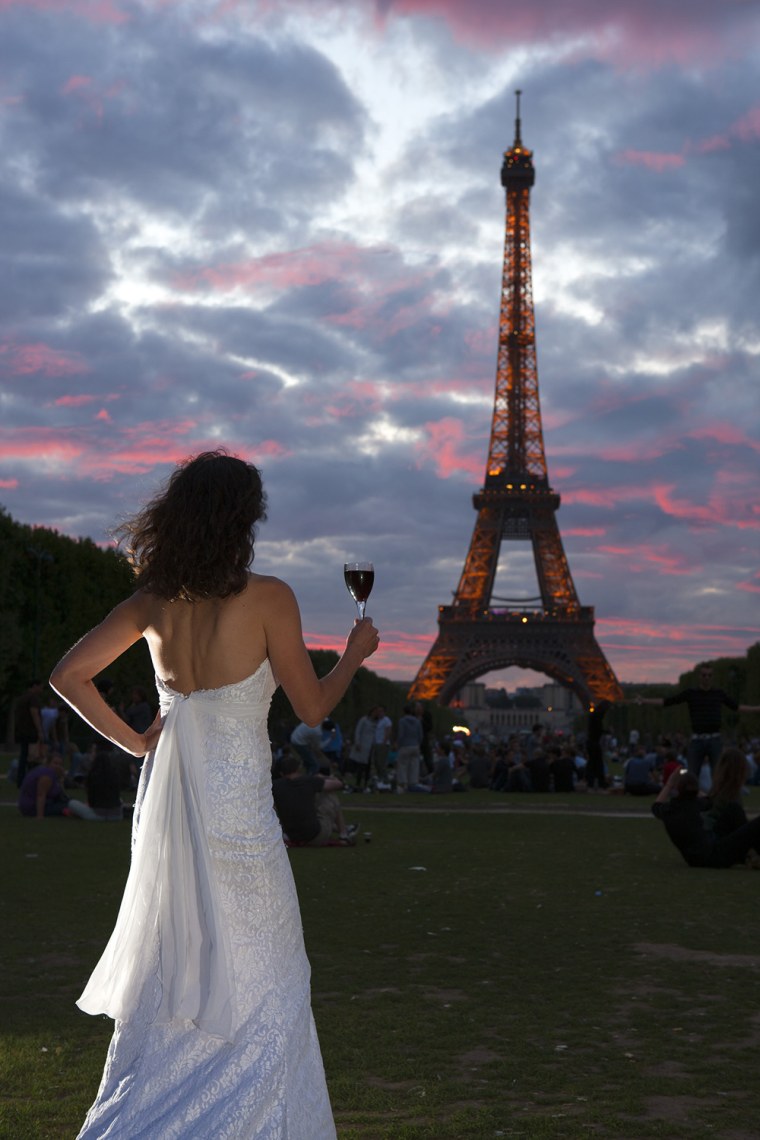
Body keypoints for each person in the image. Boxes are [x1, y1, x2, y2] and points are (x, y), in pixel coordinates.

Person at [49, 449, 379, 1139]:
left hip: (174, 803)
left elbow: (68, 675)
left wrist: (138, 743)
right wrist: (354, 654)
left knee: (179, 962)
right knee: (269, 970)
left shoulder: (152, 601)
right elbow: (313, 708)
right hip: (240, 815)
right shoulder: (269, 598)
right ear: (244, 520)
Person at [638, 666, 759, 779]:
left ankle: (715, 800)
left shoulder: (719, 694)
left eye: (709, 675)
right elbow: (668, 701)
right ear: (699, 677)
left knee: (716, 774)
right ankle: (693, 798)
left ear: (712, 677)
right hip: (697, 739)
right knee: (692, 774)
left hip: (714, 739)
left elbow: (736, 707)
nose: (706, 677)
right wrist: (644, 701)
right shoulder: (691, 693)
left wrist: (756, 709)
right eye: (704, 675)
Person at [651, 767, 760, 868]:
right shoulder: (695, 804)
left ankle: (749, 855)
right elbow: (709, 800)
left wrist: (670, 784)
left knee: (733, 809)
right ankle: (752, 854)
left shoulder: (669, 809)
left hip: (699, 856)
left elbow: (656, 806)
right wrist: (692, 785)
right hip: (713, 855)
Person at [272, 754, 356, 845]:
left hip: (292, 836)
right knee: (331, 794)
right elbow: (338, 784)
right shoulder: (309, 781)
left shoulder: (275, 786)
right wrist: (323, 777)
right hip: (315, 835)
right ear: (298, 769)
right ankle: (344, 834)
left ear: (281, 773)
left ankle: (344, 828)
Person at [13, 680, 45, 787]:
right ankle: (32, 780)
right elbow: (34, 713)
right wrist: (40, 730)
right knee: (32, 757)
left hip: (22, 731)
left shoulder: (21, 698)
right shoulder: (33, 698)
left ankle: (21, 780)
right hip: (31, 732)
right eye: (40, 687)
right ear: (34, 686)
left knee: (23, 756)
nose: (41, 690)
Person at [394, 702, 424, 793]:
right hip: (415, 745)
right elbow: (420, 735)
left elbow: (401, 734)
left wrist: (398, 744)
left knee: (402, 765)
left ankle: (403, 784)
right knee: (414, 765)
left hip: (405, 746)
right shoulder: (417, 721)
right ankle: (413, 783)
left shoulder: (402, 721)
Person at [585, 700, 610, 791]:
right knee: (598, 764)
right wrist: (607, 731)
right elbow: (598, 730)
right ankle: (600, 783)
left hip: (592, 743)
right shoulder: (597, 717)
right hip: (594, 743)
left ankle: (591, 783)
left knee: (592, 763)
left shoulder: (594, 716)